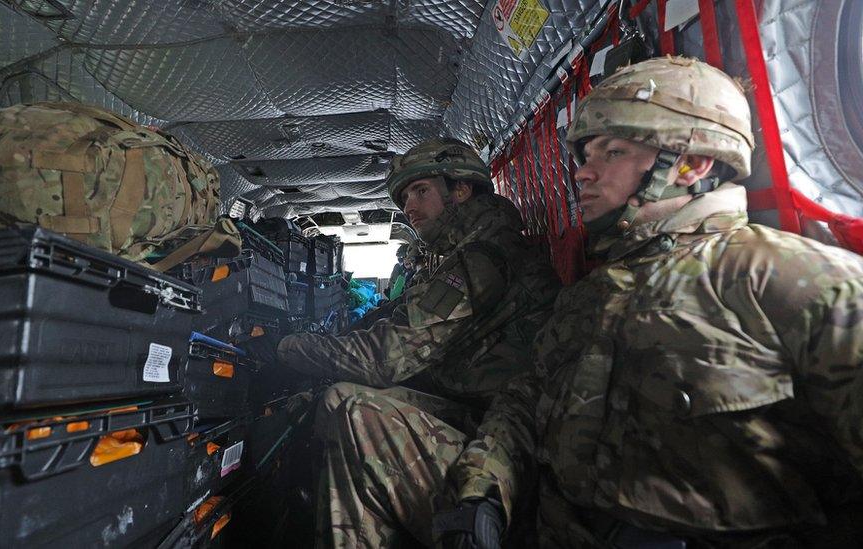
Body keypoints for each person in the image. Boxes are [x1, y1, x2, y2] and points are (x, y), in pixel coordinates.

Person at [442, 56, 863, 547]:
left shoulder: (795, 282)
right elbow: (527, 398)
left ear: (691, 163)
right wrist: (482, 490)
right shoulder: (591, 293)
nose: (583, 174)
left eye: (612, 152)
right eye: (584, 156)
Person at [267, 137, 560, 548]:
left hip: (502, 440)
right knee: (339, 399)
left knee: (355, 409)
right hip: (471, 409)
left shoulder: (485, 257)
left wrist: (286, 350)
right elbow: (400, 321)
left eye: (421, 191)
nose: (409, 206)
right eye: (405, 197)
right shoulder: (460, 251)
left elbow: (389, 358)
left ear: (460, 189)